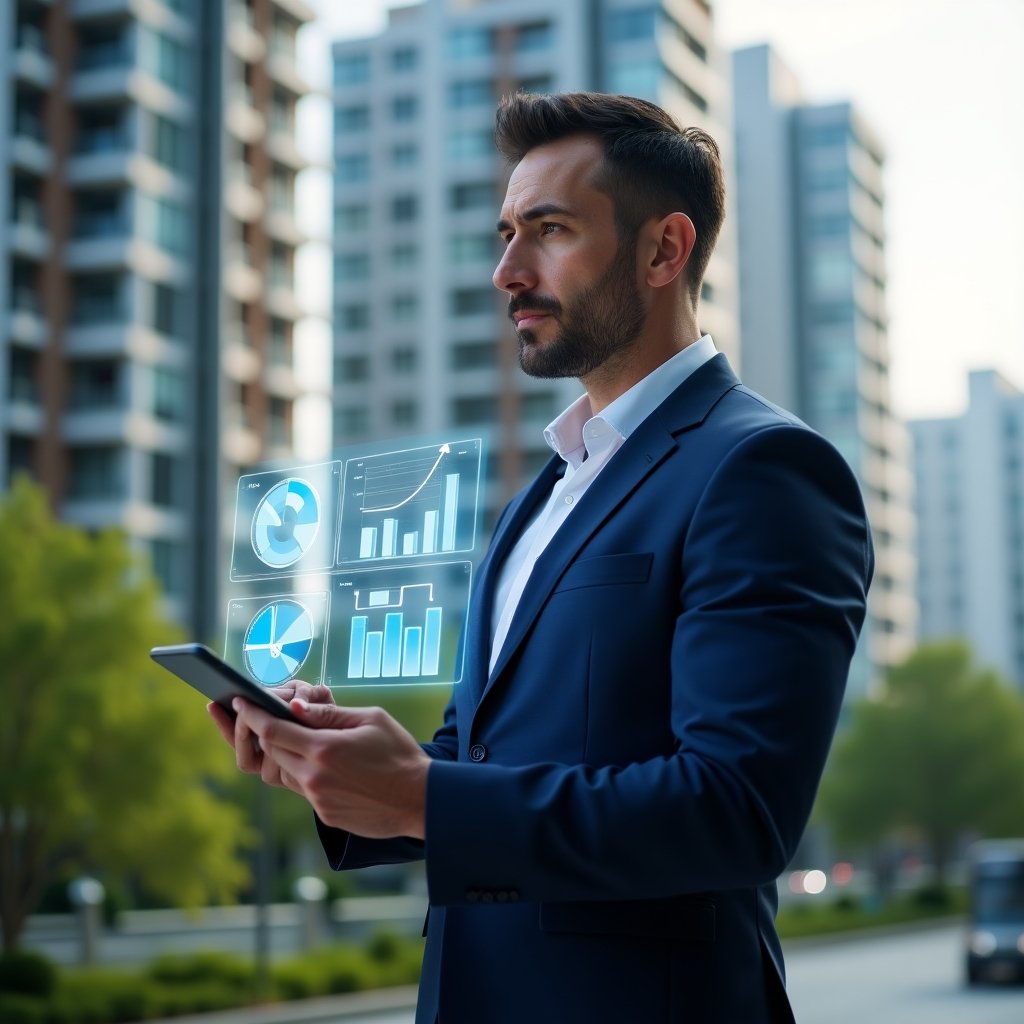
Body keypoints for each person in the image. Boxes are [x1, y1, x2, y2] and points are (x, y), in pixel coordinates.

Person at [209, 91, 873, 1023]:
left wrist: (426, 798)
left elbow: (734, 809)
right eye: (507, 232)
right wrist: (345, 765)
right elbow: (475, 759)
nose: (506, 271)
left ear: (662, 250)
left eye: (549, 230)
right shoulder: (539, 499)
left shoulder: (764, 469)